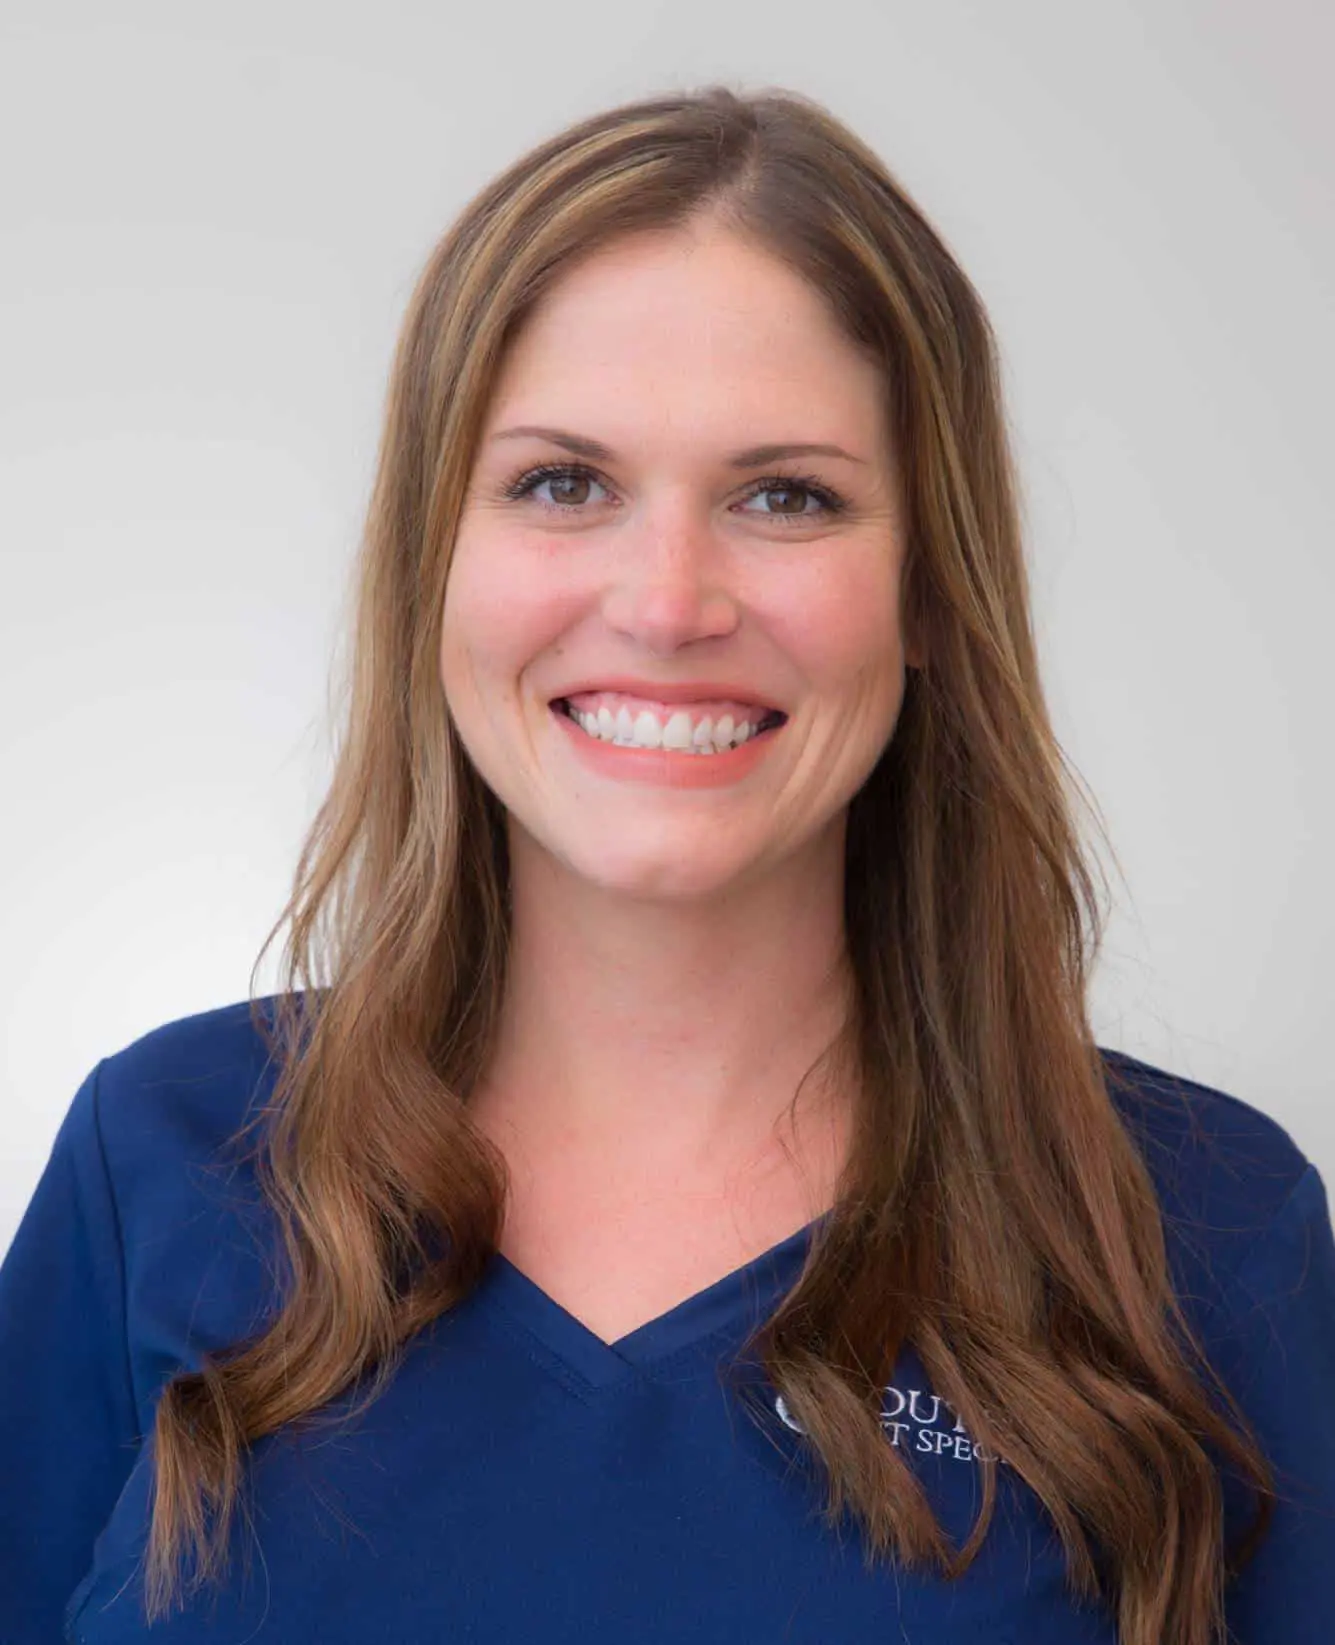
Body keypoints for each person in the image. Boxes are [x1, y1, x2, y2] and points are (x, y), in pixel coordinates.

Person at [1, 83, 1331, 1645]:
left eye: (786, 496)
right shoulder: (159, 1164)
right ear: (433, 562)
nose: (669, 598)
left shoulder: (1206, 1233)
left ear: (927, 595)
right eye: (563, 483)